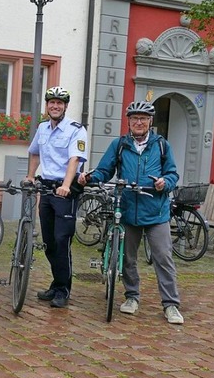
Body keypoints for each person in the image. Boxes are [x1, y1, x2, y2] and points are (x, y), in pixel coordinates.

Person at [78, 101, 184, 324]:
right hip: (127, 209)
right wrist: (90, 178)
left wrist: (165, 182)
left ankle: (171, 305)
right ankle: (132, 297)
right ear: (128, 121)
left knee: (163, 257)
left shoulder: (161, 145)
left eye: (143, 118)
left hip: (156, 211)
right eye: (135, 118)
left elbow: (173, 174)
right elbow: (105, 170)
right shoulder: (120, 145)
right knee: (127, 258)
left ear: (150, 122)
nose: (138, 122)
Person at [27, 86, 88, 308]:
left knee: (63, 241)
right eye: (52, 102)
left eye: (59, 103)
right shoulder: (42, 128)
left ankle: (63, 289)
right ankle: (56, 283)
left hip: (65, 192)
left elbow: (75, 159)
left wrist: (66, 185)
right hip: (46, 189)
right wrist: (30, 176)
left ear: (65, 107)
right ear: (47, 105)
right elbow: (34, 152)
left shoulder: (76, 130)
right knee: (49, 242)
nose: (55, 106)